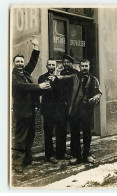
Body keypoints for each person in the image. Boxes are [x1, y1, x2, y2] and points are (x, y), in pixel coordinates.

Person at [12, 36, 51, 173]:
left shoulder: (25, 72)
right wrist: (39, 86)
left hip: (30, 110)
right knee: (21, 137)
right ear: (14, 64)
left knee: (30, 136)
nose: (20, 64)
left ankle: (27, 160)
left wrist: (36, 47)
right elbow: (23, 87)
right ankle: (17, 163)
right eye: (18, 62)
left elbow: (33, 62)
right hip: (22, 111)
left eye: (21, 61)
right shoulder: (14, 77)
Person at [68, 59, 102, 165]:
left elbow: (99, 93)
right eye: (82, 66)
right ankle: (76, 156)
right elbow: (64, 81)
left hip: (87, 110)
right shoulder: (75, 78)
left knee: (87, 133)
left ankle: (87, 154)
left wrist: (93, 99)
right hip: (76, 110)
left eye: (86, 66)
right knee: (75, 133)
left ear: (89, 67)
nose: (84, 68)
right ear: (79, 67)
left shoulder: (94, 80)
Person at [38, 60, 71, 163]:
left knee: (61, 132)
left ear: (56, 66)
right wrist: (48, 83)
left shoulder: (60, 78)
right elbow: (42, 91)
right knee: (48, 133)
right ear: (46, 66)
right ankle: (49, 155)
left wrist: (56, 80)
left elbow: (63, 92)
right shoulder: (42, 78)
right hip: (48, 110)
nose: (51, 66)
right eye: (50, 65)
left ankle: (61, 153)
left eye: (53, 65)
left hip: (60, 110)